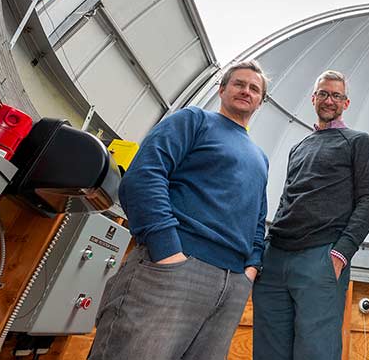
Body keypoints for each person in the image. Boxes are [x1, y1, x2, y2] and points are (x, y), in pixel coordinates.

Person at [88, 60, 270, 360]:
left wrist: (248, 272)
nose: (246, 90)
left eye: (254, 88)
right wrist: (167, 252)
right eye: (238, 83)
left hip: (232, 287)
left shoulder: (261, 158)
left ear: (260, 101)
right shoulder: (194, 120)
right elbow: (144, 175)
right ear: (222, 89)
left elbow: (257, 220)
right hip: (173, 268)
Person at [252, 70, 369, 360]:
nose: (329, 100)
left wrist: (340, 254)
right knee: (267, 350)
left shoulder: (357, 141)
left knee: (316, 352)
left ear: (346, 103)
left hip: (321, 257)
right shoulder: (298, 148)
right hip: (275, 258)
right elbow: (287, 200)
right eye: (323, 93)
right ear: (313, 98)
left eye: (336, 95)